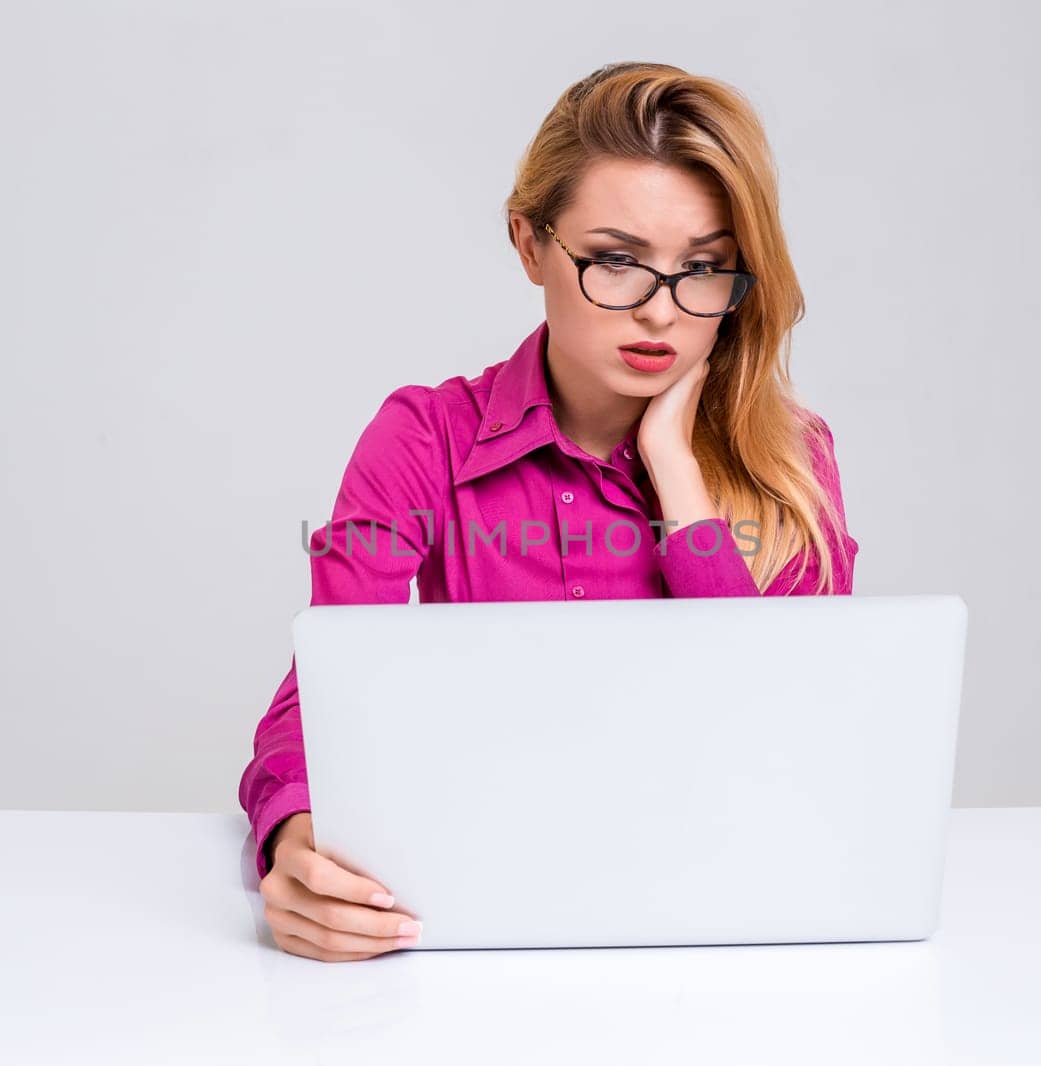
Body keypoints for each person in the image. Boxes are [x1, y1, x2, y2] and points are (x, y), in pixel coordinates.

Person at [239, 61, 861, 962]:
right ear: (529, 246)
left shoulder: (790, 459)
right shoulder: (425, 438)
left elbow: (789, 728)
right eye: (616, 260)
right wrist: (292, 839)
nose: (660, 313)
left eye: (704, 269)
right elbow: (326, 687)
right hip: (475, 907)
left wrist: (677, 473)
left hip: (717, 921)